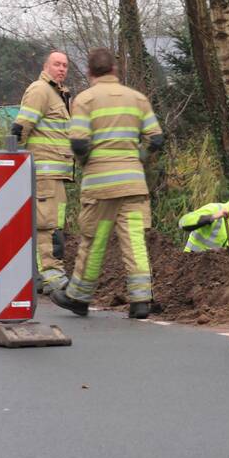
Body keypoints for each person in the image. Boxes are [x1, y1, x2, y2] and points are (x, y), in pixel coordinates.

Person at [50, 48, 163, 319]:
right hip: (133, 184)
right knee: (134, 240)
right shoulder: (137, 98)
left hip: (100, 187)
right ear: (115, 69)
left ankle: (79, 296)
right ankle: (141, 300)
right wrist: (139, 158)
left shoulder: (85, 99)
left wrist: (88, 162)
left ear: (89, 73)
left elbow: (78, 141)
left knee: (95, 240)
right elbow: (156, 138)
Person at [12, 50, 74, 295]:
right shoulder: (40, 90)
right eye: (57, 64)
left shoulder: (58, 94)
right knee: (47, 224)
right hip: (45, 172)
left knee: (54, 223)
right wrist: (11, 160)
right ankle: (49, 275)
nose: (61, 69)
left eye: (65, 65)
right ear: (46, 66)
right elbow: (22, 126)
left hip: (56, 173)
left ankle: (46, 273)